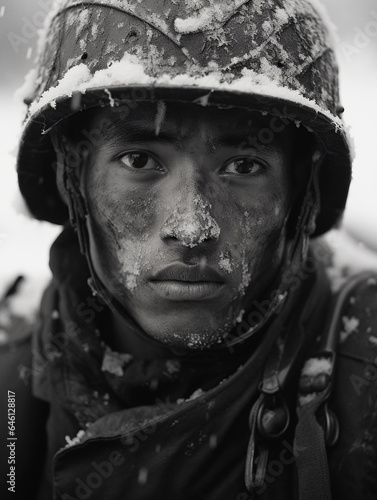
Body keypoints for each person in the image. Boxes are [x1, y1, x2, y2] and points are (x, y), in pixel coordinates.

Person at [1, 0, 377, 499]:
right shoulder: (12, 379)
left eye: (244, 166)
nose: (193, 228)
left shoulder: (365, 368)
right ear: (73, 178)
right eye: (140, 159)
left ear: (300, 192)